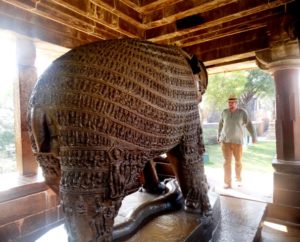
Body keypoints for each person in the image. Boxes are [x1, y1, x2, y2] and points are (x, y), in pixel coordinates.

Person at [217, 95, 257, 189]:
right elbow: (220, 125)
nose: (230, 104)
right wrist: (218, 136)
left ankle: (239, 179)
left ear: (236, 103)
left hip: (237, 142)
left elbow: (249, 125)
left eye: (232, 103)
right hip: (225, 141)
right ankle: (227, 182)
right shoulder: (224, 112)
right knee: (227, 162)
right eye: (229, 103)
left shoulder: (242, 112)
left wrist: (254, 136)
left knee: (238, 162)